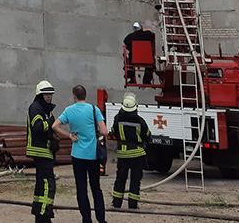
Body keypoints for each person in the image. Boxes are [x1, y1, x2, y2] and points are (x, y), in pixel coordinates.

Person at [58, 85, 109, 223]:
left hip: (77, 155)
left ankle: (86, 219)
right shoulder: (94, 109)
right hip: (93, 155)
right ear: (85, 95)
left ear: (74, 96)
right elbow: (104, 131)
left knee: (81, 189)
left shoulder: (69, 110)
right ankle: (101, 219)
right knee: (96, 188)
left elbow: (55, 126)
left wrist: (69, 135)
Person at [26, 80, 61, 223]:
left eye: (50, 94)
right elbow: (38, 127)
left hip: (45, 151)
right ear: (40, 95)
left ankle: (40, 215)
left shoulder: (45, 109)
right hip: (40, 150)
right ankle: (44, 216)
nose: (49, 97)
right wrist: (51, 122)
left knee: (42, 184)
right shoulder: (36, 107)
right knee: (47, 184)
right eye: (46, 94)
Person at [110, 93, 150, 210]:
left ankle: (117, 203)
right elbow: (147, 135)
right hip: (138, 154)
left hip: (123, 154)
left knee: (120, 178)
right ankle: (132, 205)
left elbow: (114, 132)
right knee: (135, 179)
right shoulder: (140, 121)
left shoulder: (117, 119)